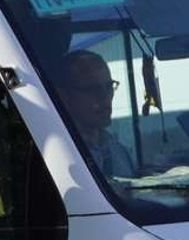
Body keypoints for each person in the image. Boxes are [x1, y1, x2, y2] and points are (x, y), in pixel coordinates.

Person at [58, 48, 141, 177]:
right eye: (92, 89)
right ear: (64, 96)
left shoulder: (119, 152)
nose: (105, 97)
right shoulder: (60, 153)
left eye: (109, 86)